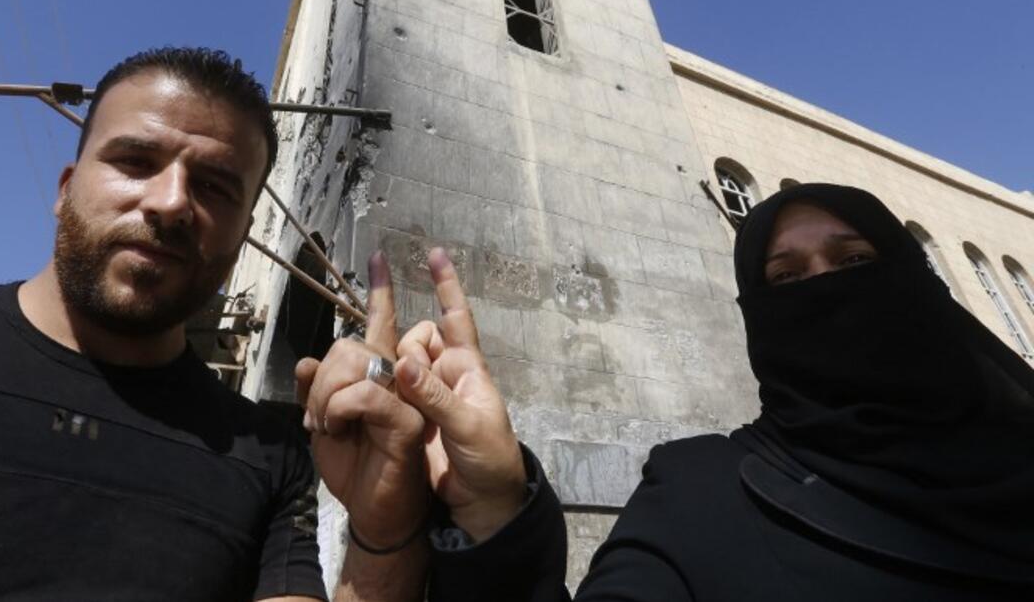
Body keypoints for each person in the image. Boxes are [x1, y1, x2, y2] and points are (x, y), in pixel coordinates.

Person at [0, 47, 426, 602]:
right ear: (67, 189)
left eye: (214, 186)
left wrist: (384, 531)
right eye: (135, 162)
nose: (171, 203)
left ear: (243, 235)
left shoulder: (269, 458)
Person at [301, 183, 1034, 601]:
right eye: (786, 278)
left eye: (853, 262)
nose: (826, 293)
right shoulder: (699, 496)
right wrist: (494, 512)